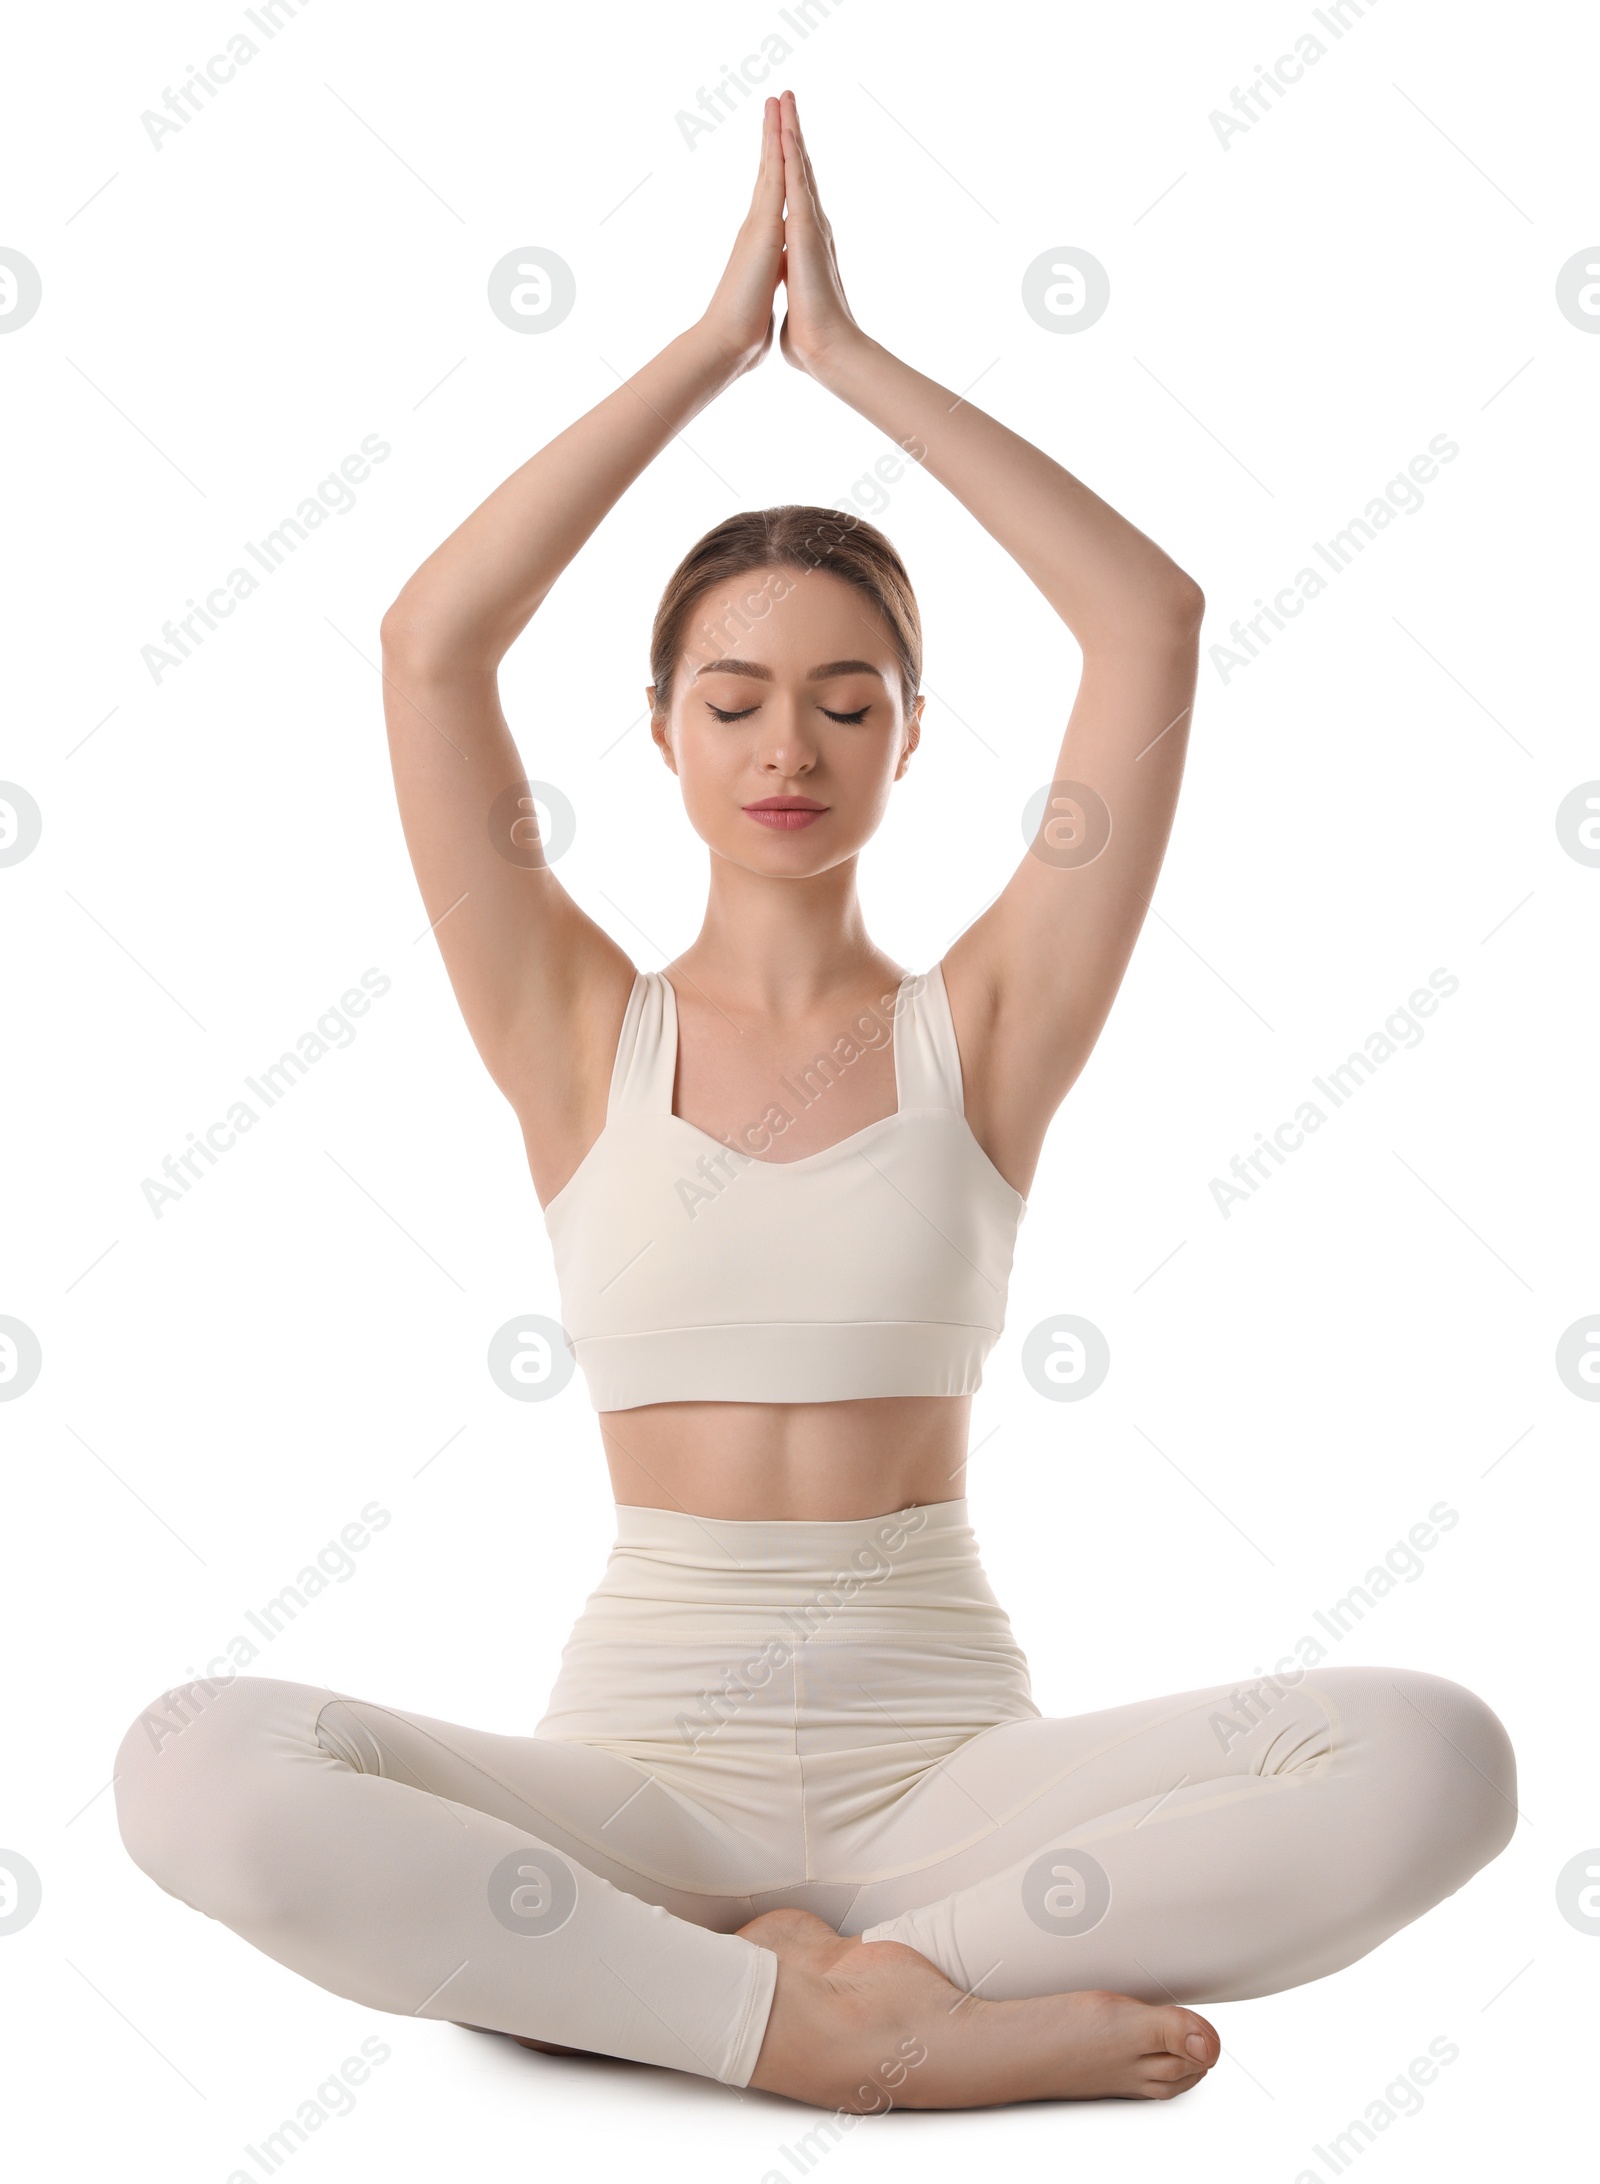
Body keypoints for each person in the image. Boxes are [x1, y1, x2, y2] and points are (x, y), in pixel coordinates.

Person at [114, 91, 1516, 2116]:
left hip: (947, 1773)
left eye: (848, 700)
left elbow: (1146, 624)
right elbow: (431, 646)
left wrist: (847, 363)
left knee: (1434, 1758)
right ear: (665, 733)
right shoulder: (569, 1023)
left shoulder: (991, 1023)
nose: (791, 743)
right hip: (634, 1779)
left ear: (909, 740)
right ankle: (828, 2036)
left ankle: (799, 1977)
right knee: (191, 1765)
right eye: (737, 696)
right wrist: (703, 352)